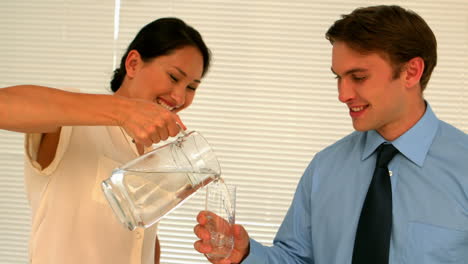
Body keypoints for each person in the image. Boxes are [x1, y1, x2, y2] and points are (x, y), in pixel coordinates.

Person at [193, 5, 468, 264]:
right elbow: (297, 258)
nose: (343, 94)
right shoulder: (325, 168)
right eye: (338, 77)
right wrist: (245, 255)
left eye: (358, 77)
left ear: (411, 72)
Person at [0, 17, 211, 264]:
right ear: (133, 64)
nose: (179, 97)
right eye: (175, 78)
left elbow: (141, 240)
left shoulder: (152, 154)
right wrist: (124, 111)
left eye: (192, 87)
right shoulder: (72, 125)